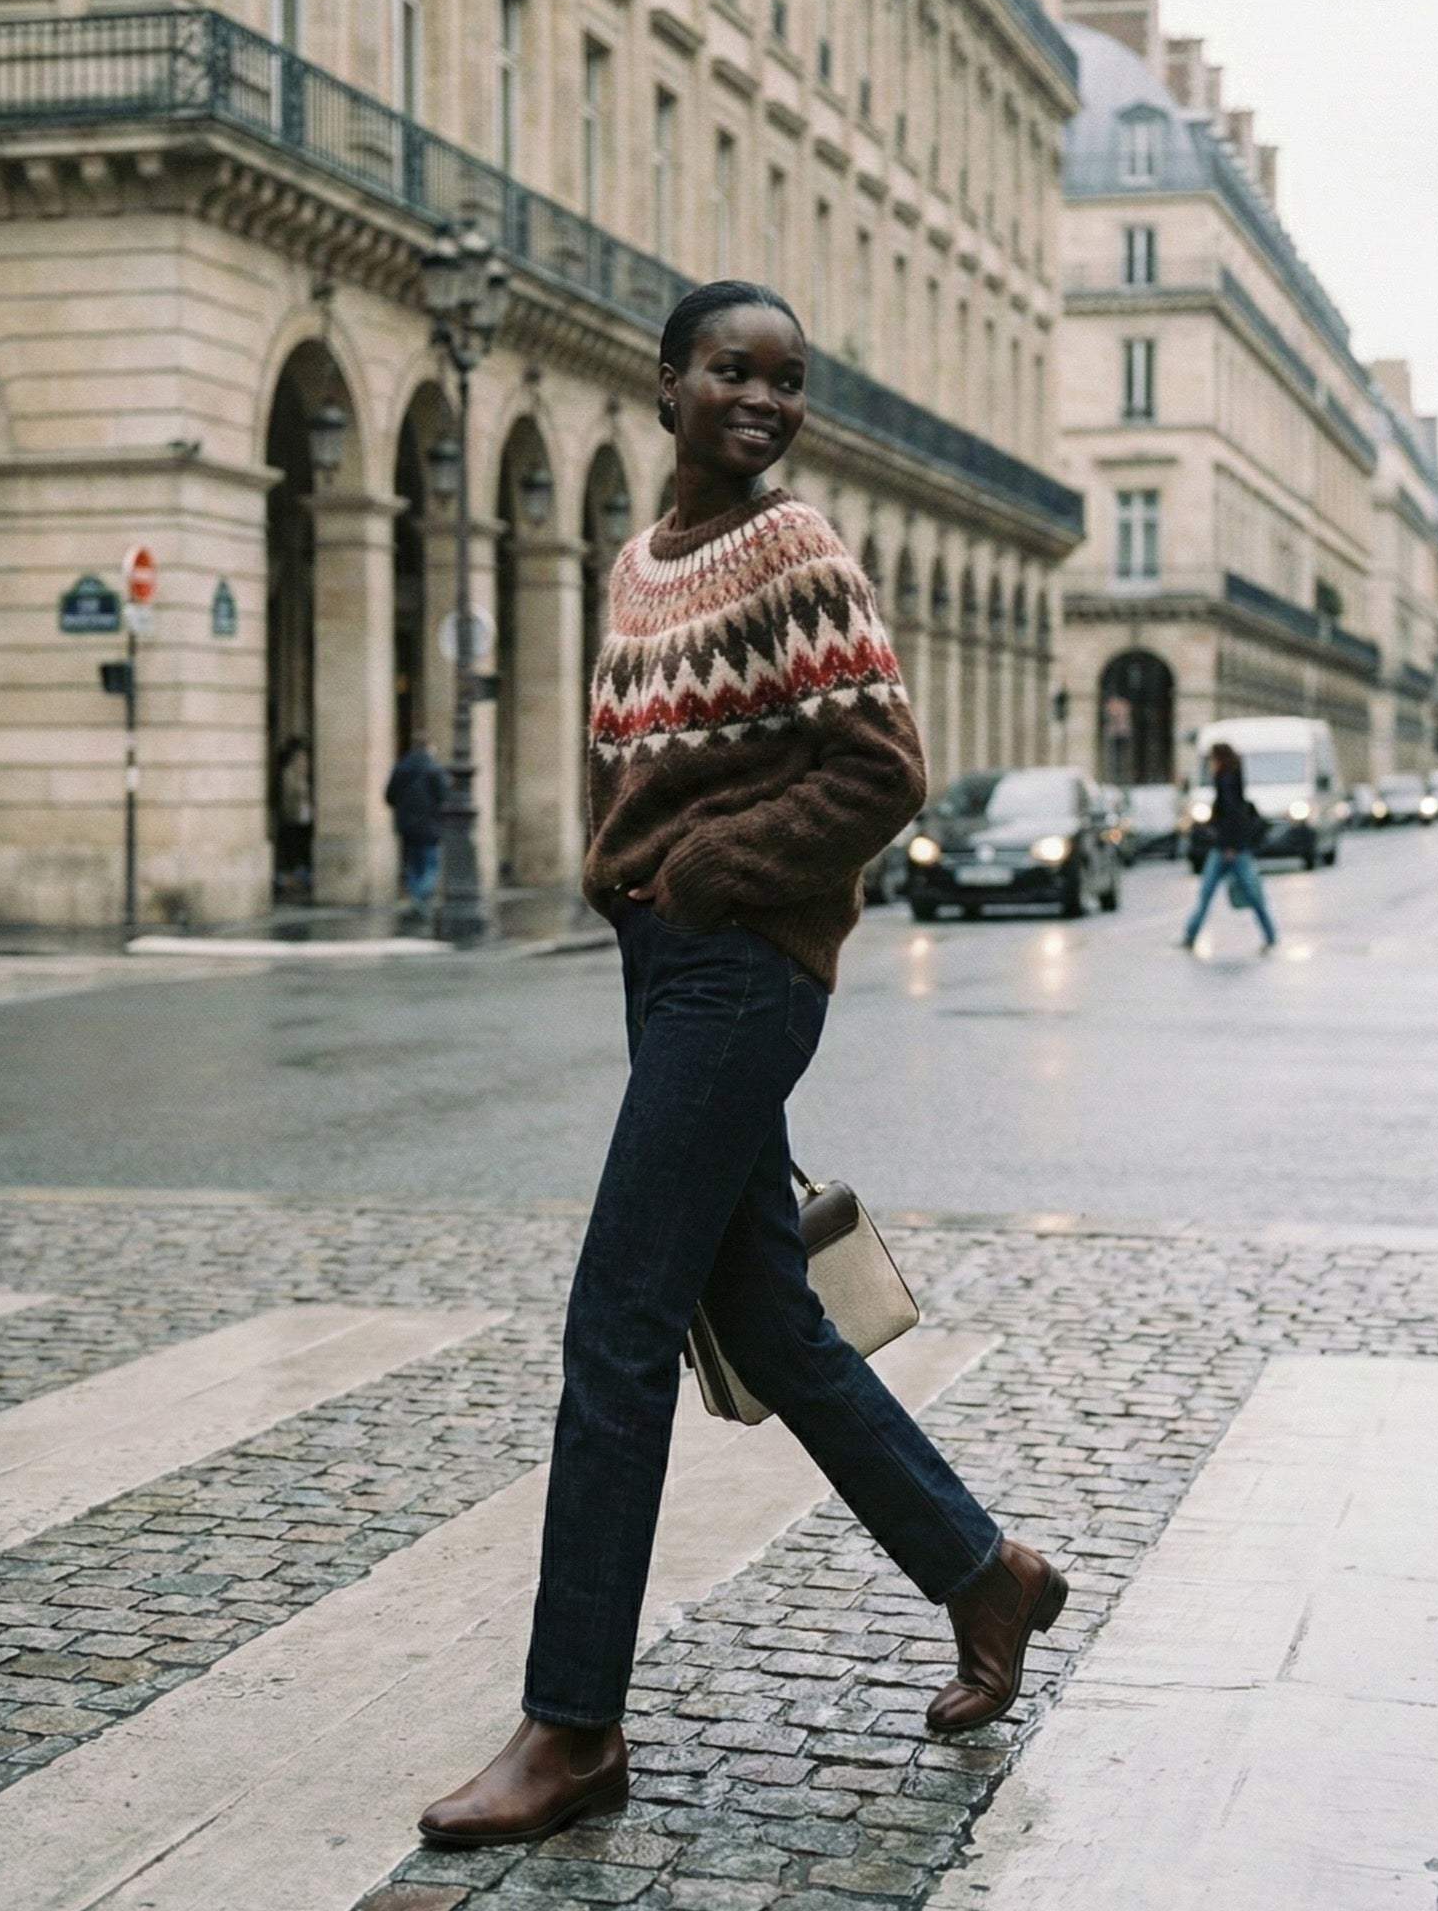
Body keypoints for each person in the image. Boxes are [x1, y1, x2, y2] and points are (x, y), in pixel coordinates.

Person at [416, 281, 1068, 1852]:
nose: (764, 398)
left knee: (619, 1323)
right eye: (732, 370)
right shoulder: (639, 563)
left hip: (745, 968)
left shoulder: (797, 550)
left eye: (788, 378)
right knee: (769, 1323)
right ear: (668, 388)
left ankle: (574, 1728)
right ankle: (985, 1574)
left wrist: (714, 873)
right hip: (672, 964)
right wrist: (617, 875)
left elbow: (884, 771)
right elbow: (630, 758)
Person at [1181, 739, 1278, 950]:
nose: (1210, 763)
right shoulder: (1232, 777)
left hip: (1229, 848)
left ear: (1218, 759)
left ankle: (1190, 936)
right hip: (1232, 846)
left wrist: (1229, 846)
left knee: (1209, 893)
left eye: (1212, 759)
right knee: (1250, 893)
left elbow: (1233, 815)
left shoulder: (1226, 780)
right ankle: (1270, 935)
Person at [385, 731, 448, 915]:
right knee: (430, 863)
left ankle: (416, 898)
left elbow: (389, 796)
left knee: (413, 863)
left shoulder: (400, 767)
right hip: (429, 824)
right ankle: (420, 897)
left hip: (406, 824)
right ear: (428, 747)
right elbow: (444, 796)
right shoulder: (433, 768)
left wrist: (404, 808)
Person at [275, 735, 313, 894]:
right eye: (302, 757)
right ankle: (294, 879)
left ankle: (299, 877)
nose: (305, 761)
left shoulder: (302, 776)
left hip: (303, 818)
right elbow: (289, 798)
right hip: (294, 818)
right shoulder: (290, 774)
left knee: (300, 849)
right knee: (295, 849)